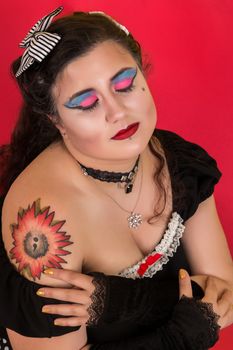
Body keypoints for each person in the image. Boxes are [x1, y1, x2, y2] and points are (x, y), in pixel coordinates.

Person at [0, 6, 233, 349]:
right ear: (56, 121)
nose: (118, 112)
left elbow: (225, 294)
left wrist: (120, 302)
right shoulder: (42, 223)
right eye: (86, 103)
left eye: (125, 84)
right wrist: (180, 335)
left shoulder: (180, 162)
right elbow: (208, 307)